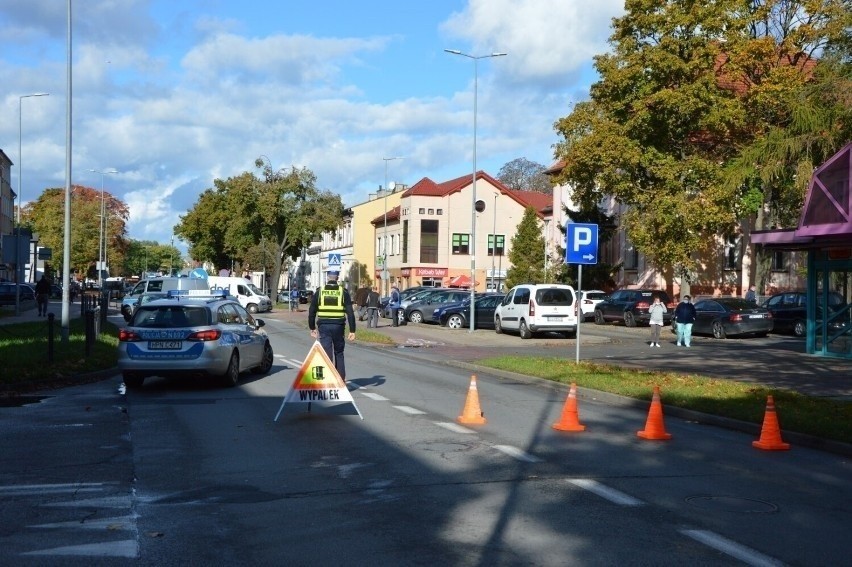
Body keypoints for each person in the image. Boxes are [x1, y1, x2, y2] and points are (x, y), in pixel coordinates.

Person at [308, 270, 356, 382]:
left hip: (324, 326)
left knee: (326, 353)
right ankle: (341, 381)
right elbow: (350, 313)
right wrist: (352, 330)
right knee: (339, 353)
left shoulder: (320, 292)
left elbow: (312, 311)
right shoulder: (343, 292)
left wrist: (312, 328)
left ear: (327, 277)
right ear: (337, 278)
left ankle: (329, 381)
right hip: (338, 326)